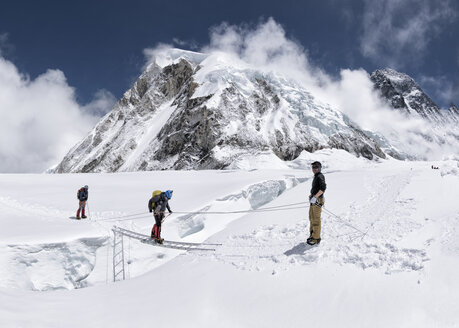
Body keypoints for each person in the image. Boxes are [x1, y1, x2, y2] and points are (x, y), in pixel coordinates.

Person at [307, 162, 326, 245]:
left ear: (320, 168)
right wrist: (312, 196)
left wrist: (315, 197)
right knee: (311, 218)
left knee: (316, 220)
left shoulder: (320, 176)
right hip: (314, 200)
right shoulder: (316, 176)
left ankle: (316, 238)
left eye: (316, 167)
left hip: (317, 200)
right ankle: (312, 235)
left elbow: (323, 188)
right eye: (313, 167)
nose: (314, 168)